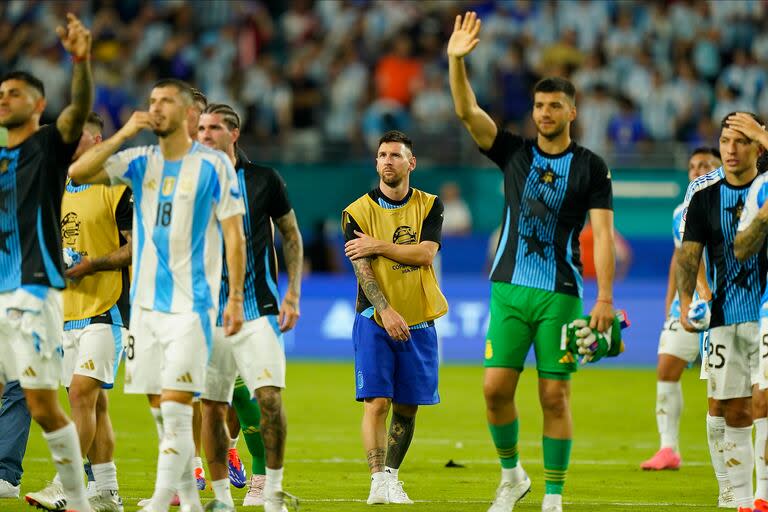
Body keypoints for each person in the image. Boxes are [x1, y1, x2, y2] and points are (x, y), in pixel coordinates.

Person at [448, 12, 615, 512]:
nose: (544, 113)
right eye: (540, 105)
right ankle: (512, 475)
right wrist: (457, 62)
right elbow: (466, 111)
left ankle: (554, 494)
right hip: (508, 290)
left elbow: (603, 235)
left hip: (561, 295)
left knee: (553, 397)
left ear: (572, 112)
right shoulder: (513, 154)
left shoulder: (591, 167)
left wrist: (605, 297)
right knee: (494, 389)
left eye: (555, 106)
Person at [68, 78, 246, 512]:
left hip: (192, 307)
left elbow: (234, 235)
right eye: (152, 101)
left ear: (188, 112)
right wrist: (126, 132)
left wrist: (236, 296)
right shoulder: (139, 160)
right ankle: (188, 499)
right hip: (144, 310)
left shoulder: (213, 166)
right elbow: (77, 171)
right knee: (161, 411)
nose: (156, 108)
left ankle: (161, 499)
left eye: (166, 101)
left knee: (178, 403)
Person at [0, 13, 94, 512]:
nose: (3, 99)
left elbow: (79, 107)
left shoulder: (48, 146)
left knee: (41, 404)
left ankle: (76, 497)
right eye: (0, 93)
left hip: (33, 290)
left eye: (13, 93)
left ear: (37, 104)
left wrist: (80, 60)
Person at [197, 103, 303, 511]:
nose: (204, 135)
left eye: (214, 128)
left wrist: (292, 293)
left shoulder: (263, 180)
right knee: (211, 405)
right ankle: (221, 497)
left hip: (258, 308)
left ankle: (271, 489)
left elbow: (291, 236)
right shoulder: (188, 180)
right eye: (201, 128)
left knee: (270, 399)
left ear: (234, 133)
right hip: (206, 313)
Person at [25, 112, 131, 512]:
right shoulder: (56, 189)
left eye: (78, 138)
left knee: (81, 395)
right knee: (96, 404)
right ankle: (105, 490)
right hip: (67, 311)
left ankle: (65, 484)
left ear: (98, 139)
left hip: (108, 307)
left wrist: (93, 263)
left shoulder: (116, 186)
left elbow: (134, 247)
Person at [342, 130, 447, 505]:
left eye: (396, 155)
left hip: (419, 319)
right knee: (378, 402)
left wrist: (378, 244)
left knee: (407, 406)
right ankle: (377, 482)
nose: (388, 161)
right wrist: (385, 311)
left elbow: (424, 255)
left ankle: (391, 475)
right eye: (382, 155)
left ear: (411, 163)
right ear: (376, 162)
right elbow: (363, 272)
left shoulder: (430, 205)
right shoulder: (357, 212)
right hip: (374, 317)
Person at [678, 112, 768, 512]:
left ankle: (763, 494)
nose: (730, 150)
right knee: (732, 408)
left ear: (757, 148)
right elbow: (689, 255)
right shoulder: (704, 196)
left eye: (742, 141)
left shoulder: (766, 189)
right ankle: (741, 499)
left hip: (766, 312)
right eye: (725, 141)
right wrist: (686, 303)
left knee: (763, 400)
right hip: (724, 317)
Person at [640, 149, 720, 469]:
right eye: (692, 166)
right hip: (689, 303)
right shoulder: (679, 213)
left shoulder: (729, 205)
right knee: (666, 368)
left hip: (723, 304)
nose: (697, 170)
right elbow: (683, 257)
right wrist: (672, 299)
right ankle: (668, 449)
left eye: (705, 165)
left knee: (720, 390)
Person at [731, 112, 768, 512]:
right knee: (764, 398)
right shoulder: (761, 189)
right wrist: (763, 216)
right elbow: (742, 248)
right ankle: (761, 497)